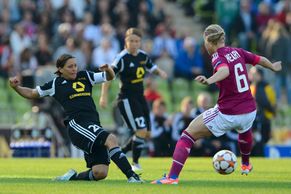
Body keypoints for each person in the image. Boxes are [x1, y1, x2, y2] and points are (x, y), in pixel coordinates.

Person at [151, 24, 282, 184]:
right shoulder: (238, 51)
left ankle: (172, 178)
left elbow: (224, 71)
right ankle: (246, 164)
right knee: (244, 129)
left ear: (209, 42)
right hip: (249, 110)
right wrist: (273, 67)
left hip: (228, 113)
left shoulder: (217, 56)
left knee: (187, 135)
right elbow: (259, 59)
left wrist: (209, 80)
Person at [9, 53, 143, 183]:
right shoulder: (56, 84)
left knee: (100, 172)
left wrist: (108, 69)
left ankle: (72, 178)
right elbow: (32, 93)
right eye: (70, 66)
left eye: (75, 65)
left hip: (93, 124)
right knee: (111, 139)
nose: (74, 69)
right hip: (77, 125)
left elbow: (109, 77)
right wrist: (16, 88)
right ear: (60, 69)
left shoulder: (85, 76)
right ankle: (132, 176)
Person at [99, 28, 167, 171]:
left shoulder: (143, 56)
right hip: (126, 99)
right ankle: (135, 163)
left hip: (140, 97)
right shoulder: (122, 58)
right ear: (126, 42)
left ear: (140, 42)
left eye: (137, 41)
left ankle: (121, 151)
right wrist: (103, 96)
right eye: (131, 41)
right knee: (141, 131)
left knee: (147, 133)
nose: (134, 44)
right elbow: (109, 76)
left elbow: (151, 67)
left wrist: (160, 72)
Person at [249, 67, 276, 156]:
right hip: (255, 119)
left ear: (260, 76)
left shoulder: (265, 87)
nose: (250, 75)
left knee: (261, 141)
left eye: (253, 73)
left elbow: (269, 104)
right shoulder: (251, 86)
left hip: (263, 120)